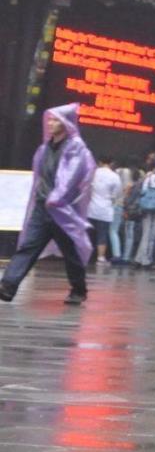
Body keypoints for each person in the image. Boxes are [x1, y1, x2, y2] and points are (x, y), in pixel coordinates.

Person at [1, 104, 95, 306]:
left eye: (56, 120)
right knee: (28, 246)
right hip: (43, 207)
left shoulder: (76, 147)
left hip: (62, 211)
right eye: (50, 119)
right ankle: (7, 286)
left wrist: (57, 197)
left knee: (71, 253)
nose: (51, 123)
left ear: (66, 122)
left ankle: (78, 290)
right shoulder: (45, 148)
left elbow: (72, 177)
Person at [89, 156, 123, 267]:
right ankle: (100, 258)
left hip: (90, 208)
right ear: (111, 163)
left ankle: (84, 254)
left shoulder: (93, 173)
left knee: (88, 233)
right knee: (102, 234)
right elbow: (117, 193)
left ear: (99, 162)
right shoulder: (114, 176)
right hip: (105, 209)